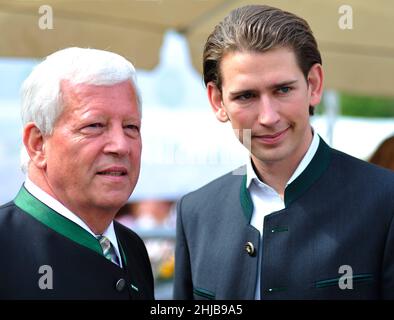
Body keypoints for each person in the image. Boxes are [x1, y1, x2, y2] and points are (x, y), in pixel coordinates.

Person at [174, 5, 394, 300]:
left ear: (313, 85)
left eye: (283, 90)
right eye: (246, 96)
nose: (268, 116)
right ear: (217, 101)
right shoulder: (196, 212)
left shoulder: (385, 200)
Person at [0, 47, 154, 299]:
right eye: (94, 125)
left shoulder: (132, 247)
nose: (121, 145)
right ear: (38, 143)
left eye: (131, 127)